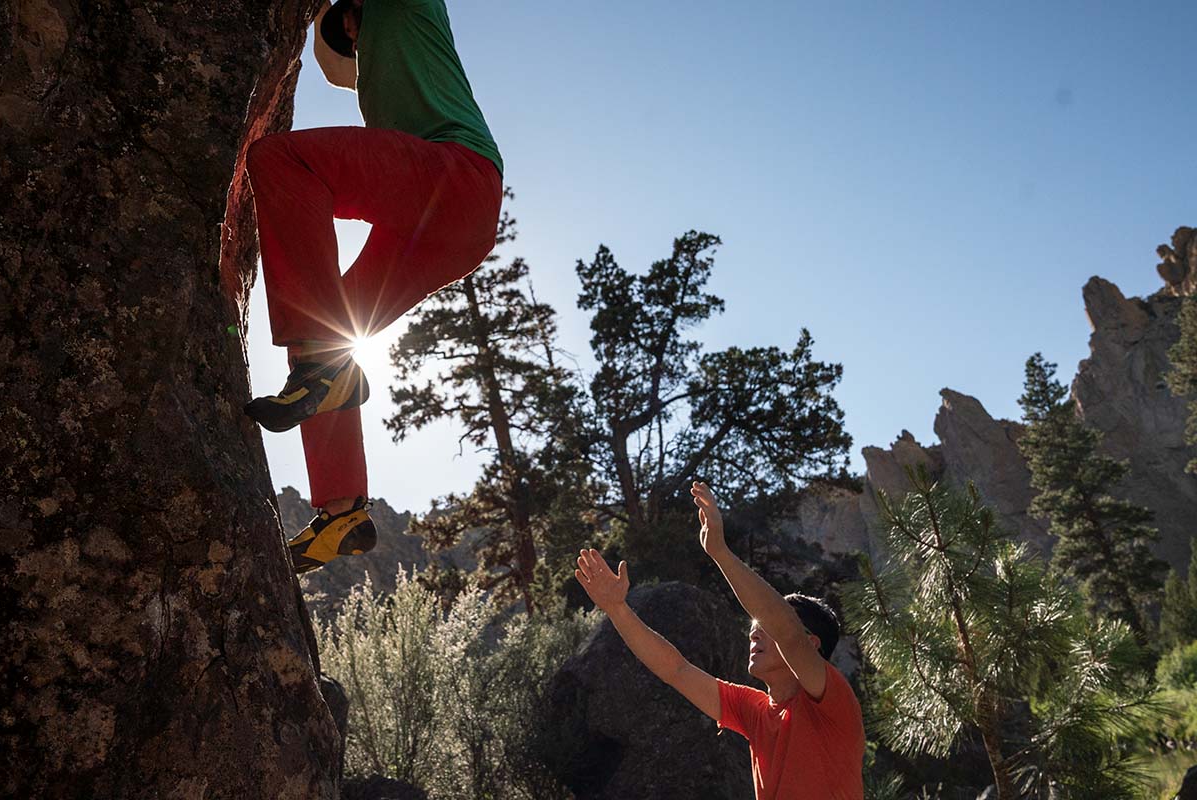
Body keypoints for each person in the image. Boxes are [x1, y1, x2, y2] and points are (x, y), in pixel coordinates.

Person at [242, 0, 503, 572]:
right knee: (326, 335)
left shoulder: (408, 7)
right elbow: (336, 67)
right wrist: (318, 20)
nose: (354, 35)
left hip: (455, 175)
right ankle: (343, 514)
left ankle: (322, 377)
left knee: (283, 161)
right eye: (348, 33)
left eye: (350, 20)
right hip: (446, 223)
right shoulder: (364, 60)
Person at [574, 481, 865, 799]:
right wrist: (618, 610)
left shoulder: (831, 704)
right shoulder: (753, 710)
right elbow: (677, 670)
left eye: (765, 625)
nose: (755, 630)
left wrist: (720, 553)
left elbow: (786, 631)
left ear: (812, 644)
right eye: (755, 625)